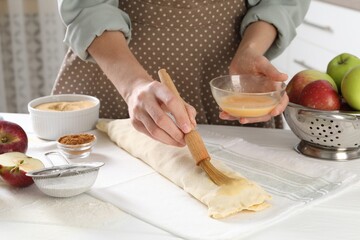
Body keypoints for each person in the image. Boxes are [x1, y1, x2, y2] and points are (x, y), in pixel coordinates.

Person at [54, 0, 310, 147]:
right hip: (115, 71)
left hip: (226, 80)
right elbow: (89, 6)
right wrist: (133, 86)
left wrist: (251, 51)